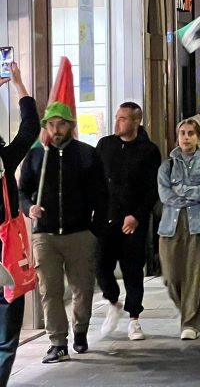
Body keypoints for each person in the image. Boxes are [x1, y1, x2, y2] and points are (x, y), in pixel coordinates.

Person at [18, 85, 108, 364]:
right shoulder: (36, 156)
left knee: (82, 289)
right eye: (51, 124)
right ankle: (58, 342)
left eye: (61, 124)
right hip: (44, 235)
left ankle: (80, 329)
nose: (56, 130)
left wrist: (95, 229)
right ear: (46, 126)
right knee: (50, 291)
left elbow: (102, 194)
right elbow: (22, 191)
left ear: (70, 126)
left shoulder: (86, 154)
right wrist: (28, 208)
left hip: (80, 233)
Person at [96, 102, 162, 341]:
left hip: (134, 220)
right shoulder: (105, 145)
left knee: (133, 270)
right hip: (106, 218)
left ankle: (134, 318)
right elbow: (95, 179)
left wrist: (137, 216)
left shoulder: (149, 150)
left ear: (137, 121)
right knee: (101, 266)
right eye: (117, 117)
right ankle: (113, 300)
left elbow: (152, 189)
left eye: (123, 118)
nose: (118, 122)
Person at [0, 63, 44, 383]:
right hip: (6, 253)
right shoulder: (4, 160)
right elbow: (30, 128)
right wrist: (18, 85)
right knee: (6, 330)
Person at [157, 119, 200, 340]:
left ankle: (190, 323)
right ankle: (186, 310)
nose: (186, 137)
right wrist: (192, 194)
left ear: (198, 137)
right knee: (171, 276)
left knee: (196, 275)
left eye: (191, 133)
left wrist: (181, 190)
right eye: (182, 133)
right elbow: (165, 196)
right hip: (171, 227)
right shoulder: (167, 166)